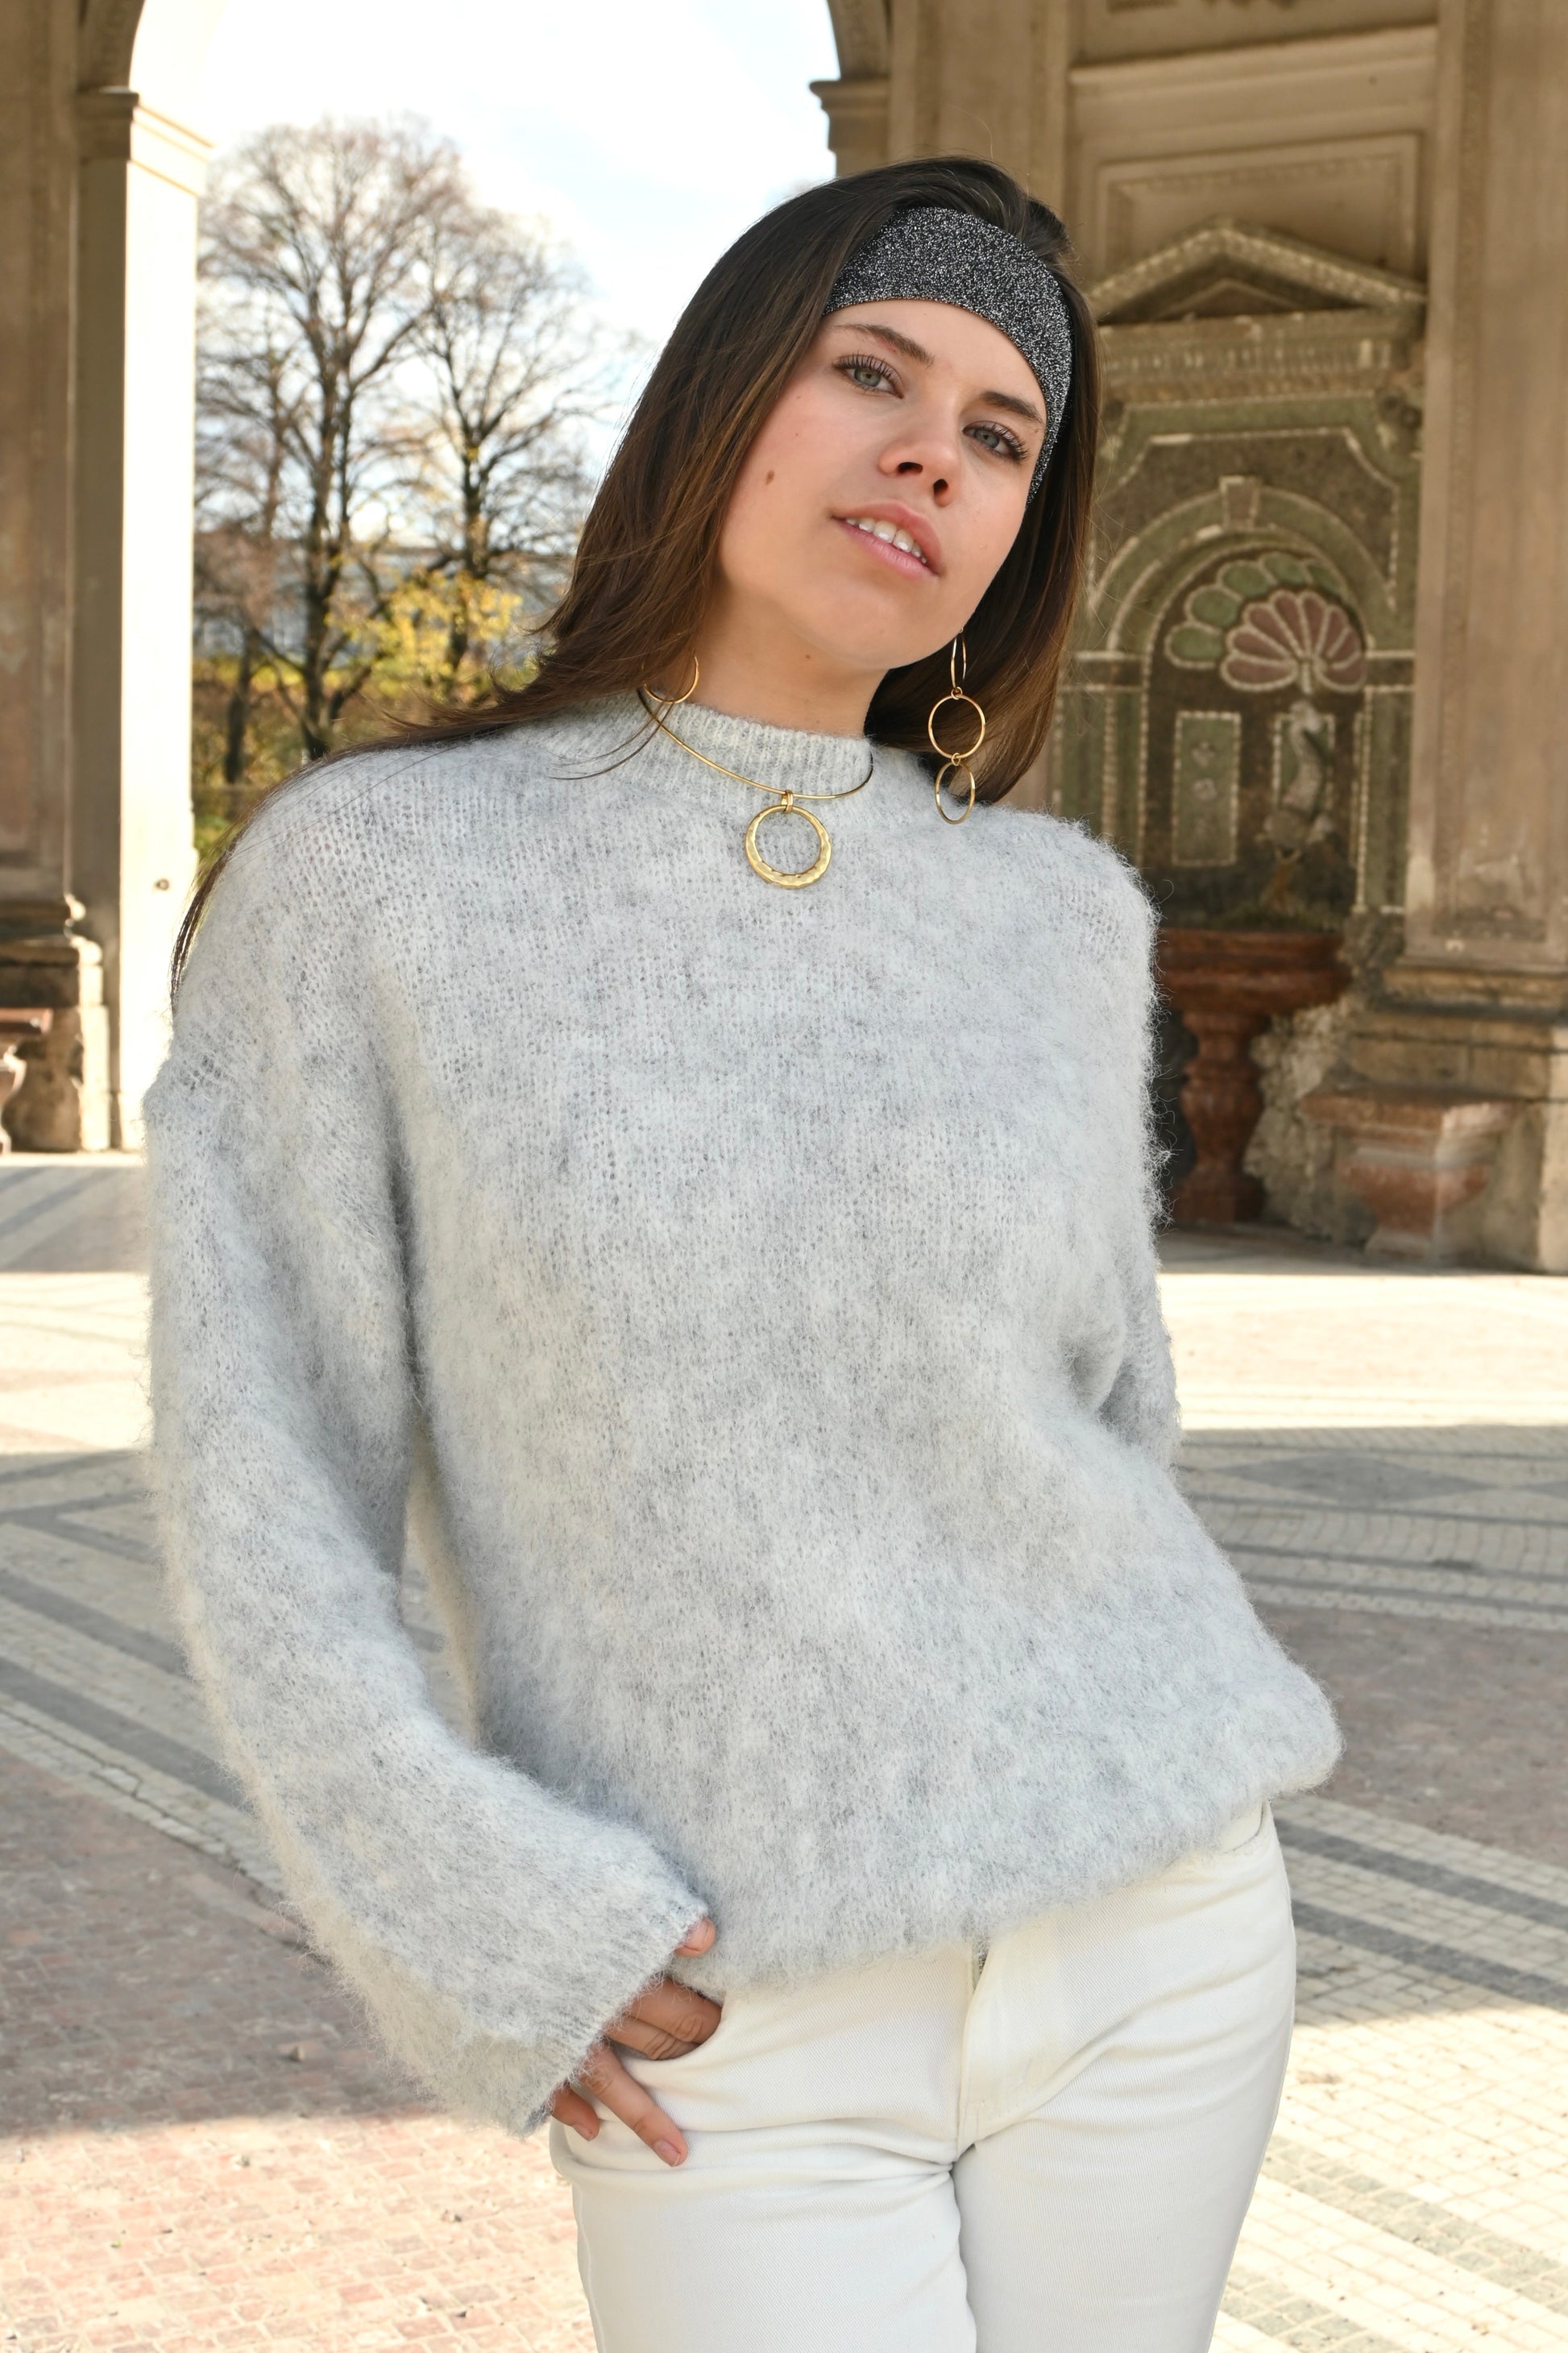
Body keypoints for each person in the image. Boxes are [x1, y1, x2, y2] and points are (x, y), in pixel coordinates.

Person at [146, 156, 1340, 2353]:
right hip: (730, 2000)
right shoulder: (378, 880)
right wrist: (470, 1905)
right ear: (723, 398)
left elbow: (1107, 1423)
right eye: (872, 372)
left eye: (1001, 436)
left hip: (1158, 1926)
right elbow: (265, 1482)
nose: (932, 455)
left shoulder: (1059, 919)